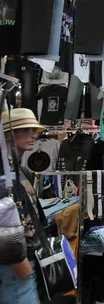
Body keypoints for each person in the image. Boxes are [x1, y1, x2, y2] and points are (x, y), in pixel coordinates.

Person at [0, 108, 46, 304]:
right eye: (25, 129)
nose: (33, 135)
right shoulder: (4, 175)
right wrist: (21, 265)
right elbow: (3, 225)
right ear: (7, 135)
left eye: (34, 130)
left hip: (27, 258)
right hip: (15, 264)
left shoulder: (20, 170)